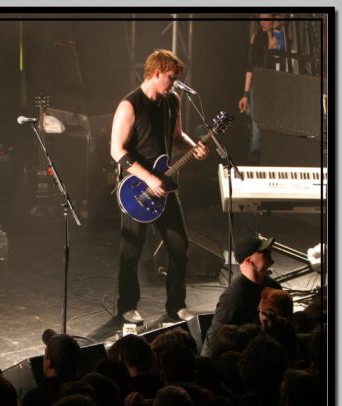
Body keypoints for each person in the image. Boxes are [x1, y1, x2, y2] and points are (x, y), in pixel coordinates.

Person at [110, 49, 209, 325]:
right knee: (131, 251)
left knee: (179, 247)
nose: (174, 82)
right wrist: (148, 179)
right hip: (136, 189)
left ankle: (176, 304)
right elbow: (117, 151)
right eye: (170, 77)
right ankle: (127, 305)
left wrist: (193, 146)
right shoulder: (129, 105)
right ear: (155, 73)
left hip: (164, 187)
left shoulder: (172, 101)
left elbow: (177, 137)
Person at [201, 235, 282, 357]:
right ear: (249, 261)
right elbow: (215, 339)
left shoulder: (273, 287)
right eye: (262, 251)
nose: (269, 252)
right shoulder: (234, 296)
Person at [238, 14, 286, 163]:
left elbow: (283, 54)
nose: (263, 22)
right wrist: (245, 93)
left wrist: (277, 34)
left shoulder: (280, 37)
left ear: (274, 19)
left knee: (270, 124)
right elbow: (250, 66)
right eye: (261, 18)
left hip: (274, 85)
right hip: (257, 85)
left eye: (266, 19)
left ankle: (269, 158)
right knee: (257, 126)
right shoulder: (256, 37)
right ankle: (253, 159)